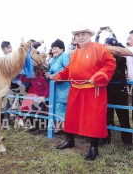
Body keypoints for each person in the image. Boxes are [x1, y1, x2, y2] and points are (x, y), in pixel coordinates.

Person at [49, 26, 116, 161]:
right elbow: (69, 69)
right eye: (78, 35)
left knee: (94, 119)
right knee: (72, 115)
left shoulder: (99, 48)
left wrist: (98, 77)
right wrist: (57, 76)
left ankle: (93, 148)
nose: (81, 37)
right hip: (76, 89)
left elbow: (110, 64)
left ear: (89, 35)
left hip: (93, 90)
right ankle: (70, 140)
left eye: (84, 34)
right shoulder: (74, 52)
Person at [95, 28, 132, 147]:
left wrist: (113, 34)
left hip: (120, 90)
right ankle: (106, 139)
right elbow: (95, 48)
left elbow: (120, 47)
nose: (107, 48)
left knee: (123, 115)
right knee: (107, 115)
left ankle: (127, 141)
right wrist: (98, 35)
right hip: (108, 89)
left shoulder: (122, 58)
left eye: (109, 45)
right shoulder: (103, 60)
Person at [106, 29, 133, 130]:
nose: (127, 39)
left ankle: (127, 140)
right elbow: (118, 50)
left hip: (121, 88)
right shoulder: (129, 52)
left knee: (126, 114)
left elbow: (118, 50)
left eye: (130, 38)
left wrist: (99, 47)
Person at [45, 39, 70, 133]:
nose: (53, 50)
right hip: (55, 87)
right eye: (52, 49)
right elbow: (51, 70)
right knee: (56, 105)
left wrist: (54, 76)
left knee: (61, 105)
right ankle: (58, 126)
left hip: (63, 86)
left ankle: (64, 127)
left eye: (55, 48)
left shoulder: (65, 57)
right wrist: (47, 74)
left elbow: (68, 70)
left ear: (62, 48)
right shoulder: (54, 59)